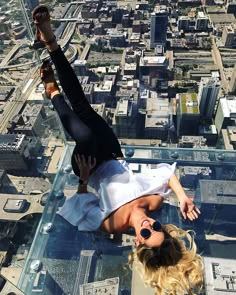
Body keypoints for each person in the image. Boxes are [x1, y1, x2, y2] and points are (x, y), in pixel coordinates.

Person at [32, 5, 204, 294]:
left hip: (89, 165)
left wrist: (84, 179)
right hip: (113, 152)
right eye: (158, 229)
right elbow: (165, 172)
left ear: (137, 239)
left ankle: (51, 91)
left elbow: (77, 207)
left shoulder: (111, 224)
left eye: (147, 232)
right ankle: (50, 42)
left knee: (84, 135)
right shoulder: (154, 204)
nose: (151, 225)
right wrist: (182, 195)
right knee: (83, 105)